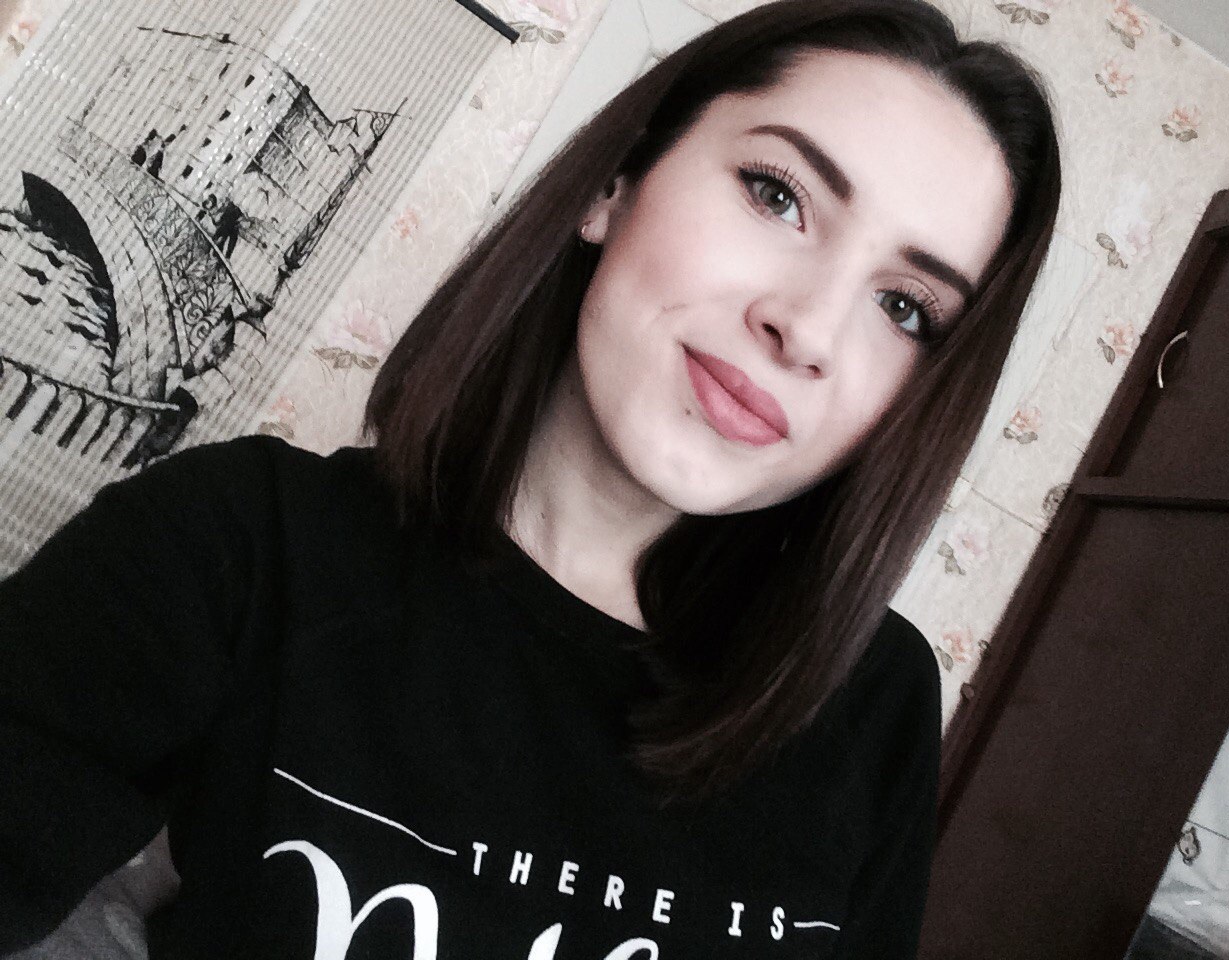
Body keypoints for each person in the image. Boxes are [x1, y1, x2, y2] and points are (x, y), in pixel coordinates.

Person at [0, 0, 1060, 955]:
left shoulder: (871, 705)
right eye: (776, 194)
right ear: (615, 184)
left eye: (905, 307)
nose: (809, 328)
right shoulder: (238, 545)